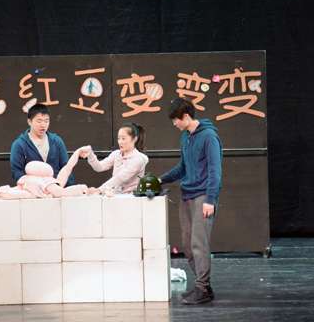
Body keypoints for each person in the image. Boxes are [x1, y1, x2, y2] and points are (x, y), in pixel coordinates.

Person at [158, 98, 222, 305]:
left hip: (203, 196)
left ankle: (202, 288)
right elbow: (183, 167)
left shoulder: (209, 137)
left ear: (185, 116)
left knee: (198, 244)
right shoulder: (186, 137)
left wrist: (210, 199)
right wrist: (160, 179)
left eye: (175, 120)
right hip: (187, 195)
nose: (174, 124)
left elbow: (215, 171)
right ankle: (204, 286)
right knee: (188, 244)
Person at [10, 103, 75, 186]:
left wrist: (66, 188)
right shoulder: (19, 144)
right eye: (39, 121)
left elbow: (66, 167)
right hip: (32, 189)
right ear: (29, 122)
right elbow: (17, 172)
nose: (43, 125)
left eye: (46, 121)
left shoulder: (56, 141)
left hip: (57, 187)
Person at [83, 123, 149, 195]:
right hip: (114, 196)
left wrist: (99, 190)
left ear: (134, 139)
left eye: (123, 138)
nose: (120, 142)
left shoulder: (138, 159)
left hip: (131, 198)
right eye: (118, 138)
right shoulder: (116, 154)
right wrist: (90, 154)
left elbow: (120, 178)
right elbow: (99, 167)